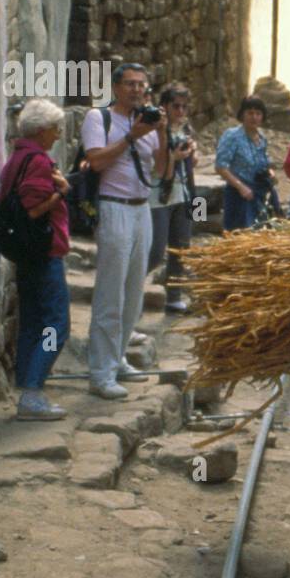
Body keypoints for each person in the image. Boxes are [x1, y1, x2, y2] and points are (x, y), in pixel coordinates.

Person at [82, 63, 168, 400]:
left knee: (134, 291)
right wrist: (132, 137)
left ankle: (117, 359)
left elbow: (160, 171)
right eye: (130, 84)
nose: (136, 91)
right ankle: (100, 373)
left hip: (141, 208)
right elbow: (97, 161)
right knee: (110, 293)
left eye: (142, 86)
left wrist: (161, 132)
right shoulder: (98, 118)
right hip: (113, 205)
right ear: (116, 88)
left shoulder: (146, 123)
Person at [0, 99, 72, 420]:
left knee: (31, 323)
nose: (57, 135)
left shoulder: (17, 157)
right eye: (55, 129)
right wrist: (61, 192)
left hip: (25, 253)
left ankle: (28, 389)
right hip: (43, 253)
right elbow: (32, 208)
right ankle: (33, 391)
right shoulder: (38, 161)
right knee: (57, 323)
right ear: (41, 131)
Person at [148, 83, 198, 313]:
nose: (180, 111)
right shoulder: (156, 131)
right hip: (159, 196)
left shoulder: (186, 130)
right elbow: (157, 169)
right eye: (175, 106)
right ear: (165, 107)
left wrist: (190, 157)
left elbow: (192, 169)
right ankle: (134, 289)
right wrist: (175, 157)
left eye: (184, 107)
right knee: (156, 250)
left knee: (182, 247)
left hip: (184, 194)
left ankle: (174, 295)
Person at [215, 96, 276, 231]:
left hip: (259, 193)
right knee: (240, 237)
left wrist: (270, 173)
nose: (254, 117)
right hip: (239, 194)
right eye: (250, 113)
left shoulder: (261, 138)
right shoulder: (232, 136)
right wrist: (241, 187)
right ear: (242, 114)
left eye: (258, 113)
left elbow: (265, 162)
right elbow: (220, 166)